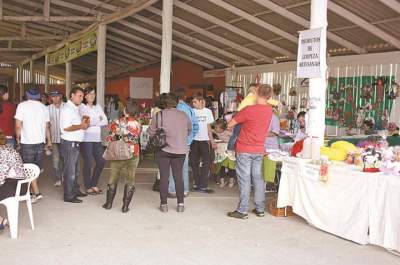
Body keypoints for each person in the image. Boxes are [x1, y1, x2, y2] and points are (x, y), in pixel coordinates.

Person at [227, 84, 273, 219]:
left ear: (257, 93)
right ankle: (260, 209)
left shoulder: (248, 110)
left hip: (244, 149)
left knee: (244, 179)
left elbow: (230, 124)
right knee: (258, 179)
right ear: (270, 96)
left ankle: (242, 210)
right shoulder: (269, 111)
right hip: (259, 149)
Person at [148, 94, 191, 212]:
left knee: (164, 177)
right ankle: (181, 204)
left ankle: (163, 205)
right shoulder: (184, 115)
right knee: (178, 177)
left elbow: (151, 132)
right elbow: (189, 130)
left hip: (164, 150)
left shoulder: (159, 115)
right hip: (180, 150)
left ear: (163, 103)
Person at [103, 98, 141, 212]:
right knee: (130, 179)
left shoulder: (116, 122)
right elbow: (134, 138)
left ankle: (109, 204)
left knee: (113, 177)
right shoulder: (137, 124)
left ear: (125, 110)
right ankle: (125, 207)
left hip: (118, 153)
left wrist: (116, 137)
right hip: (133, 153)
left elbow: (110, 137)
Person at [15, 86, 51, 203]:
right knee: (36, 168)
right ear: (39, 96)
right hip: (40, 142)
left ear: (27, 95)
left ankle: (36, 192)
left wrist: (18, 138)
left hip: (27, 142)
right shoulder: (44, 107)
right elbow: (47, 127)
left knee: (29, 168)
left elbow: (18, 125)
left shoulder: (22, 106)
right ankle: (30, 193)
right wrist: (49, 141)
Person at [167, 88, 199, 198]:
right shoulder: (189, 109)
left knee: (173, 166)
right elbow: (195, 126)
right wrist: (189, 138)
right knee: (184, 166)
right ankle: (185, 190)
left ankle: (172, 189)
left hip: (174, 142)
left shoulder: (175, 109)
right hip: (185, 143)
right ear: (184, 97)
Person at [60, 87, 89, 203]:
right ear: (71, 95)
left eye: (82, 96)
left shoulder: (74, 108)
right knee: (70, 170)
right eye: (79, 96)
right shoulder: (67, 109)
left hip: (74, 143)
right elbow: (66, 128)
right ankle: (68, 195)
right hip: (69, 143)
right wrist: (81, 126)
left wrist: (82, 123)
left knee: (75, 169)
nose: (81, 98)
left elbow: (74, 124)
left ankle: (75, 189)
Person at [80, 88, 108, 195]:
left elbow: (105, 121)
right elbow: (86, 123)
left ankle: (94, 183)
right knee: (88, 162)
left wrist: (93, 121)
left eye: (93, 94)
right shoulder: (82, 107)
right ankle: (88, 186)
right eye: (89, 94)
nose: (92, 96)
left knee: (101, 161)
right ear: (85, 96)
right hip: (86, 139)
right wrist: (98, 119)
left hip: (96, 138)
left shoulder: (98, 107)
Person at [0, 130, 27, 231]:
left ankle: (1, 221)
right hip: (19, 184)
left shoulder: (2, 152)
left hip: (15, 186)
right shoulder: (8, 148)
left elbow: (1, 177)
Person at [191, 93, 216, 193]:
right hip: (194, 141)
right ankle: (197, 183)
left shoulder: (208, 111)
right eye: (193, 102)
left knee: (206, 163)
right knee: (194, 163)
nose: (193, 103)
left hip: (205, 140)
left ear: (201, 101)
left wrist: (212, 140)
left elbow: (209, 128)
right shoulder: (192, 111)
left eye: (195, 102)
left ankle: (203, 185)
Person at [227, 84, 259, 151]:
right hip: (241, 116)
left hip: (241, 115)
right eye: (257, 89)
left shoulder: (250, 96)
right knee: (236, 134)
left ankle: (231, 149)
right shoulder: (251, 97)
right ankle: (230, 149)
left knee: (237, 134)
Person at [48, 91, 65, 187]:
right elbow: (47, 125)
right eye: (53, 96)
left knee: (65, 159)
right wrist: (48, 140)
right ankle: (57, 178)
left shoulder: (66, 107)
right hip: (54, 139)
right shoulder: (48, 108)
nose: (54, 98)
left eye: (56, 96)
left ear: (61, 96)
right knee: (55, 161)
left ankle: (64, 176)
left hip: (65, 138)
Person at [213, 119, 236, 188]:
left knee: (231, 167)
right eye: (215, 127)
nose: (215, 129)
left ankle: (231, 180)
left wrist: (225, 141)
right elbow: (210, 130)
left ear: (222, 128)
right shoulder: (216, 132)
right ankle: (222, 181)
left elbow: (234, 137)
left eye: (217, 127)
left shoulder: (227, 132)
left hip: (228, 152)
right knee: (221, 166)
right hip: (220, 152)